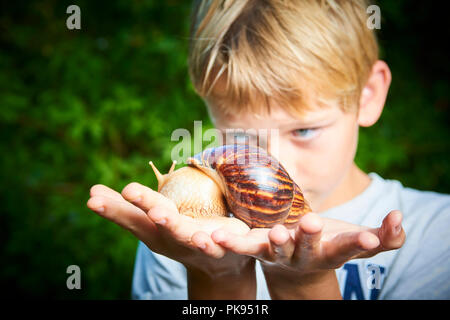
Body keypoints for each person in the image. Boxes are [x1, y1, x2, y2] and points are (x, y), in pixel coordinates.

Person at [87, 0, 450, 299]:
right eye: (243, 140)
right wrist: (216, 276)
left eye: (304, 130)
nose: (277, 162)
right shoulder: (180, 243)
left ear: (367, 96)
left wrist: (302, 282)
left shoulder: (434, 236)